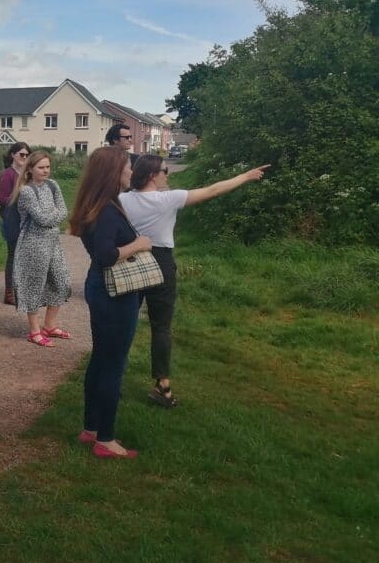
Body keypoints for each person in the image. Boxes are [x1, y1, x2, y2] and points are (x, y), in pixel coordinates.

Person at [120, 154, 270, 408]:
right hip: (161, 261)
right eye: (165, 171)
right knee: (161, 326)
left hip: (131, 259)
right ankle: (162, 386)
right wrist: (245, 176)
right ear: (152, 175)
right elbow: (212, 190)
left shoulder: (122, 199)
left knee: (124, 321)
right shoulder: (169, 199)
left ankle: (115, 378)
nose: (168, 174)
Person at [68, 147, 153, 459]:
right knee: (113, 365)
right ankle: (106, 438)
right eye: (127, 168)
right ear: (113, 173)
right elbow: (105, 255)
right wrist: (139, 244)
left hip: (102, 289)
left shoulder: (99, 205)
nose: (131, 173)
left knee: (101, 359)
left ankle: (91, 428)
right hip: (114, 293)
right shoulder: (106, 210)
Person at [9, 152, 71, 346]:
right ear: (30, 169)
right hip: (33, 244)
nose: (45, 171)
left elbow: (64, 211)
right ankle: (34, 330)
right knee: (34, 285)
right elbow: (42, 219)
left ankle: (49, 326)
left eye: (47, 167)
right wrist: (54, 215)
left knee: (61, 281)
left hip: (53, 243)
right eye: (41, 167)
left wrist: (55, 214)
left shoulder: (53, 185)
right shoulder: (27, 191)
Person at [0, 142, 31, 305]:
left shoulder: (26, 174)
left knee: (23, 255)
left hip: (25, 219)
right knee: (13, 255)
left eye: (26, 155)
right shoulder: (8, 174)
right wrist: (19, 198)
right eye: (21, 154)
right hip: (11, 219)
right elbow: (1, 199)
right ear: (13, 155)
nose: (24, 158)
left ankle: (20, 289)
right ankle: (9, 292)